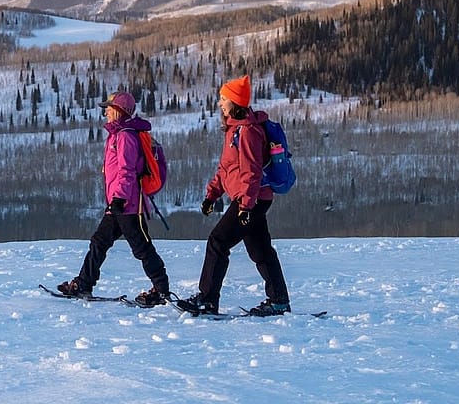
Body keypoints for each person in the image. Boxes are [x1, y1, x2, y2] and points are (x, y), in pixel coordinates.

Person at [176, 74, 292, 317]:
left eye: (223, 98)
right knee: (260, 251)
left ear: (235, 101)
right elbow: (226, 169)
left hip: (251, 199)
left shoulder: (248, 132)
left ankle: (207, 299)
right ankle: (279, 300)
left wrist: (245, 207)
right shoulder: (234, 129)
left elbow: (251, 171)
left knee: (218, 241)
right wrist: (212, 195)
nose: (219, 102)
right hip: (250, 199)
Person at [57, 91, 171, 306]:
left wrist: (119, 198)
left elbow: (127, 170)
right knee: (99, 242)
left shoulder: (126, 135)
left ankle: (161, 290)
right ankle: (83, 283)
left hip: (127, 205)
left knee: (142, 248)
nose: (106, 111)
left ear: (120, 111)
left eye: (109, 107)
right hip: (118, 204)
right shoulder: (117, 134)